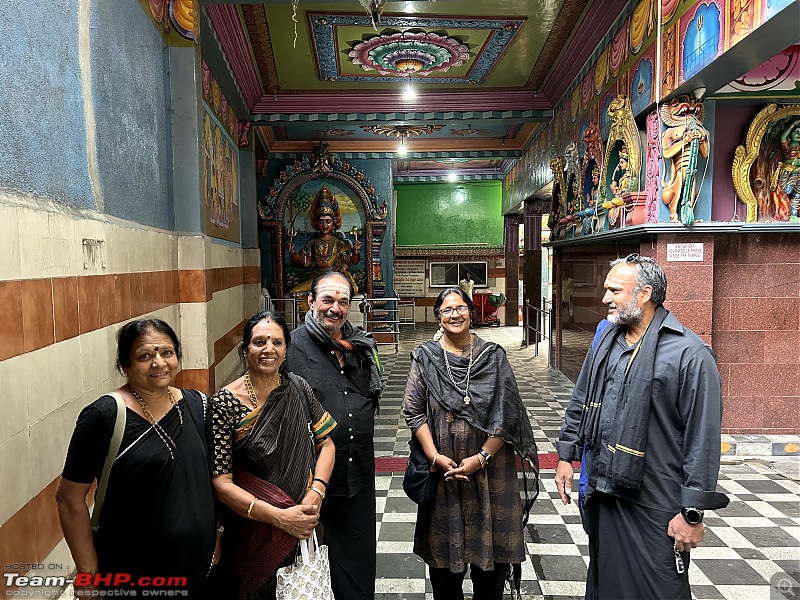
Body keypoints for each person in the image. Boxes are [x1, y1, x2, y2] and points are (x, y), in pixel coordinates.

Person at [554, 254, 729, 600]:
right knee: (606, 585)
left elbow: (702, 440)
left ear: (645, 294)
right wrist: (565, 455)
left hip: (655, 504)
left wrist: (691, 513)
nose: (605, 298)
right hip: (604, 492)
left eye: (614, 290)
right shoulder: (607, 341)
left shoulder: (690, 354)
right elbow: (581, 397)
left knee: (658, 589)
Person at [56, 318, 215, 598]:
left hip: (195, 569)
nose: (158, 363)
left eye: (166, 352)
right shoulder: (104, 416)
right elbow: (68, 497)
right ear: (125, 366)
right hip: (131, 575)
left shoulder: (198, 405)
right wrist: (87, 570)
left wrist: (219, 533)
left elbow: (213, 479)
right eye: (145, 356)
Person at [402, 287, 539, 600]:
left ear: (471, 312)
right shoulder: (426, 359)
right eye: (447, 309)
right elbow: (413, 411)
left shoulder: (493, 357)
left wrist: (482, 457)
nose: (454, 314)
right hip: (443, 477)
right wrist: (434, 455)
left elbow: (508, 414)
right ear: (438, 316)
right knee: (444, 578)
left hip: (490, 476)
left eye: (460, 307)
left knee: (489, 575)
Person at [206, 311, 336, 600]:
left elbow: (326, 443)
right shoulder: (225, 403)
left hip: (303, 519)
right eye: (259, 342)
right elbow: (221, 483)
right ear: (245, 349)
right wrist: (279, 517)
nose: (269, 349)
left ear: (286, 349)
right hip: (251, 531)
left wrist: (316, 492)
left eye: (277, 342)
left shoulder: (298, 388)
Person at [286, 271, 383, 600]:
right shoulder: (290, 349)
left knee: (357, 568)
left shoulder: (360, 346)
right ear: (311, 301)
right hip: (311, 482)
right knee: (312, 567)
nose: (335, 308)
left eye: (343, 302)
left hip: (358, 477)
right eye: (327, 300)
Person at [287, 184, 362, 294]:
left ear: (333, 223)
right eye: (321, 221)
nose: (325, 225)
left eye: (328, 221)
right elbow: (301, 261)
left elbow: (354, 261)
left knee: (353, 290)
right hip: (317, 279)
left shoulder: (339, 243)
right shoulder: (313, 242)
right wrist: (292, 251)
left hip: (335, 277)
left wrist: (356, 250)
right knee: (294, 292)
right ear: (316, 223)